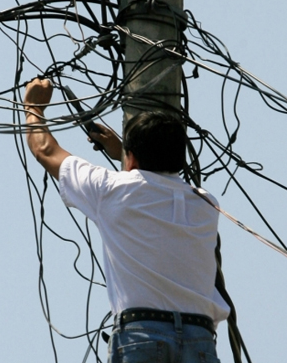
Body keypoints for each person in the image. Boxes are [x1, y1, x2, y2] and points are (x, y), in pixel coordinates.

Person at [23, 78, 229, 363]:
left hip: (141, 336)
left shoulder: (110, 190)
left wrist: (33, 106)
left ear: (131, 159)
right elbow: (154, 185)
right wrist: (124, 151)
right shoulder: (205, 204)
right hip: (200, 340)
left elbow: (45, 151)